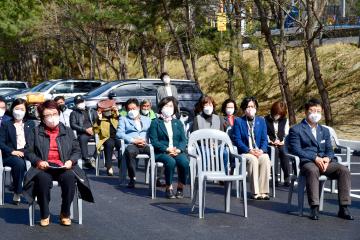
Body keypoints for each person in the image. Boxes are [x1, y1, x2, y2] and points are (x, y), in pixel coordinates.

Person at [23, 100, 94, 227]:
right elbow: (28, 151)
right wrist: (38, 161)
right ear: (42, 117)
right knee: (42, 180)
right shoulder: (35, 131)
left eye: (54, 114)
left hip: (64, 166)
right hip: (43, 167)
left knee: (70, 178)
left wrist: (70, 161)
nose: (51, 118)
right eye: (47, 115)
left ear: (59, 113)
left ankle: (65, 213)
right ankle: (45, 213)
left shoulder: (67, 131)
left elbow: (76, 150)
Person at [288, 98, 353, 220]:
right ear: (306, 112)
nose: (315, 114)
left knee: (344, 170)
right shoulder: (296, 129)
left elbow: (329, 148)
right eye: (312, 111)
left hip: (324, 162)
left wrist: (328, 158)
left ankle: (344, 207)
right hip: (308, 162)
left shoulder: (324, 130)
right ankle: (314, 207)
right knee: (313, 171)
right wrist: (315, 158)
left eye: (318, 111)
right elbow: (296, 150)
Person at [148, 96, 189, 199]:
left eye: (171, 106)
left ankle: (180, 187)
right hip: (161, 152)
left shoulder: (178, 123)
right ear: (161, 107)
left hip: (176, 151)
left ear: (174, 109)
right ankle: (169, 187)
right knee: (170, 162)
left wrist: (179, 149)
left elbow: (183, 140)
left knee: (184, 163)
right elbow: (154, 141)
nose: (168, 108)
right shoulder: (155, 123)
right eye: (166, 106)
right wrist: (167, 149)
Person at [233, 96, 271, 200]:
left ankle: (264, 191)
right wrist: (249, 150)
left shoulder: (261, 121)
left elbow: (264, 139)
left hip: (258, 151)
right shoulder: (238, 121)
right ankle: (255, 192)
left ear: (256, 108)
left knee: (265, 158)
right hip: (246, 152)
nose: (250, 109)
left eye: (252, 106)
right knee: (253, 160)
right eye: (248, 106)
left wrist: (261, 150)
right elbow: (237, 140)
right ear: (244, 108)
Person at [0, 98, 34, 204]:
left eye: (22, 109)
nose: (19, 111)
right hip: (10, 154)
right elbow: (1, 143)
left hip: (27, 152)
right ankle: (17, 191)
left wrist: (26, 151)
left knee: (37, 163)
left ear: (26, 111)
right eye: (17, 108)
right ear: (12, 109)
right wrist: (12, 151)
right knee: (19, 163)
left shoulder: (30, 123)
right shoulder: (6, 124)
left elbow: (34, 141)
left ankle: (35, 191)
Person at [116, 98, 151, 188]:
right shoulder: (123, 119)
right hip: (132, 144)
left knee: (158, 152)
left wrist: (145, 141)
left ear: (138, 108)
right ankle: (132, 177)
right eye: (129, 109)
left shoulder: (147, 119)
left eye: (134, 108)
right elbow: (119, 133)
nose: (132, 111)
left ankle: (157, 177)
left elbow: (152, 132)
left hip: (145, 144)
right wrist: (133, 140)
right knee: (130, 152)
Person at [264, 101, 291, 187]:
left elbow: (286, 134)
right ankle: (275, 178)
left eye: (280, 114)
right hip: (269, 143)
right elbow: (264, 133)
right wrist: (270, 141)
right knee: (274, 151)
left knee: (284, 151)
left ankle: (287, 177)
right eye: (276, 114)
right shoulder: (265, 120)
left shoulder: (285, 120)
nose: (277, 116)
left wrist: (282, 141)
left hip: (281, 143)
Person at [93, 99, 121, 176]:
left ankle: (121, 165)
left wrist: (117, 113)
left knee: (121, 145)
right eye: (105, 111)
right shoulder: (100, 119)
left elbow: (122, 123)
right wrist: (99, 119)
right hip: (106, 138)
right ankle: (109, 167)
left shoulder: (115, 117)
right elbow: (95, 131)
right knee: (109, 144)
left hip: (118, 137)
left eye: (109, 110)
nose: (107, 112)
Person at [70, 95, 97, 169]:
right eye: (78, 103)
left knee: (103, 139)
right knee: (82, 139)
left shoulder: (91, 111)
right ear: (75, 104)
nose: (80, 103)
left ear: (84, 101)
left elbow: (97, 121)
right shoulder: (74, 113)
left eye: (81, 101)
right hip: (83, 132)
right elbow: (73, 125)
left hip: (94, 131)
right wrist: (85, 130)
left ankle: (94, 158)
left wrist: (93, 129)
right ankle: (86, 159)